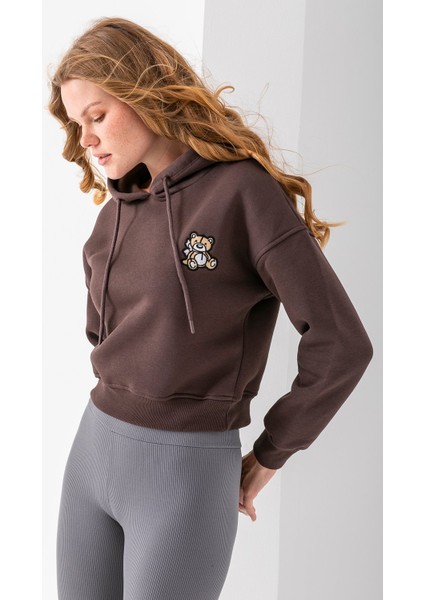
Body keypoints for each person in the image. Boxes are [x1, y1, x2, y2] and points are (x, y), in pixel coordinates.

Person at [48, 16, 373, 600]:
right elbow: (103, 336)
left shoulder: (243, 193)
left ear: (144, 93)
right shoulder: (115, 211)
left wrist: (270, 452)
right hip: (92, 454)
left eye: (97, 116)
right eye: (78, 124)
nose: (87, 139)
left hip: (187, 472)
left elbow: (342, 343)